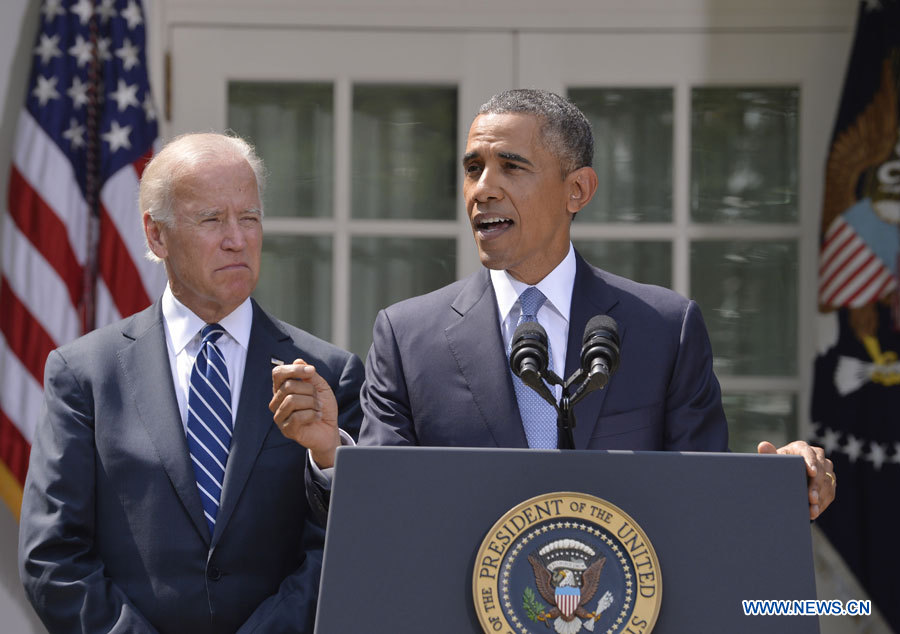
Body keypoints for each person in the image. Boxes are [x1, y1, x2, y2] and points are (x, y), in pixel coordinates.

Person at [271, 89, 836, 520]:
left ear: (578, 190)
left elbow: (703, 503)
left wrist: (777, 482)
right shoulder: (406, 334)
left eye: (511, 166)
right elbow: (382, 512)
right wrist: (328, 451)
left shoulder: (664, 328)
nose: (482, 189)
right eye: (473, 168)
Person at [18, 133, 363, 633]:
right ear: (156, 236)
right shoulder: (84, 375)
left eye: (249, 218)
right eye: (212, 219)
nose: (237, 238)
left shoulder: (328, 376)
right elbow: (52, 555)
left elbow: (341, 548)